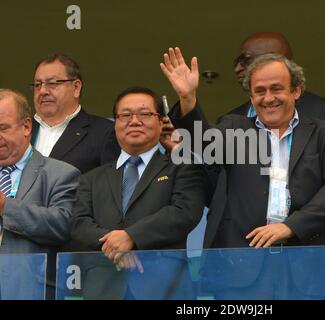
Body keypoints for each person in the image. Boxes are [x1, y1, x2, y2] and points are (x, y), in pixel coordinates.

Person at [162, 48, 325, 298]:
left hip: (307, 267)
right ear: (251, 98)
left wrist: (290, 226)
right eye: (259, 91)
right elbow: (203, 142)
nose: (268, 98)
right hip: (242, 271)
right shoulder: (235, 127)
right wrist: (188, 98)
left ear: (296, 91)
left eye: (276, 89)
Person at [70, 86, 205, 299]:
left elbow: (185, 212)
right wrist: (114, 245)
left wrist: (132, 237)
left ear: (161, 123)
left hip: (165, 286)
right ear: (115, 124)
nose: (134, 121)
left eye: (144, 114)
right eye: (125, 115)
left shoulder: (181, 167)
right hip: (103, 287)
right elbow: (78, 223)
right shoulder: (91, 178)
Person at [0, 89, 80, 299]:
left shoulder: (61, 174)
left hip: (29, 292)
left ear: (26, 127)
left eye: (3, 128)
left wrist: (5, 206)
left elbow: (64, 225)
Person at [229, 32, 325, 128]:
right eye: (237, 62)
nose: (237, 68)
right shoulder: (229, 122)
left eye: (245, 60)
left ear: (276, 59)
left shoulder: (321, 111)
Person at [31, 53, 120, 174]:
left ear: (76, 88)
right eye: (37, 84)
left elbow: (109, 187)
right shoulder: (20, 130)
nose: (42, 91)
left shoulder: (105, 133)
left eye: (52, 83)